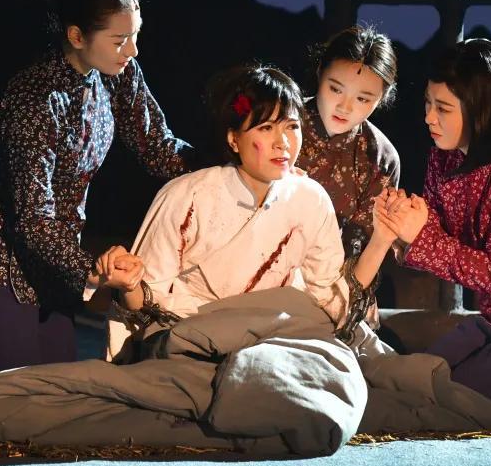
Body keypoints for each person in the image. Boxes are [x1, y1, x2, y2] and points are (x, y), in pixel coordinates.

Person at [0, 0, 193, 379]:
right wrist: (94, 269)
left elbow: (158, 146)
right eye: (120, 39)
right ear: (76, 35)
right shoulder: (33, 100)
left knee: (58, 390)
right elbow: (33, 218)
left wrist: (232, 164)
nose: (133, 50)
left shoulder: (116, 71)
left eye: (136, 35)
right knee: (6, 394)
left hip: (52, 264)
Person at [101, 64, 396, 358]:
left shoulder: (311, 199)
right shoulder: (188, 195)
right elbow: (146, 301)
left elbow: (330, 300)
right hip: (192, 337)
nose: (283, 143)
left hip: (275, 338)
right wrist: (128, 284)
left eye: (292, 127)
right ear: (233, 139)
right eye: (266, 128)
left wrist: (382, 238)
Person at [377, 38, 491, 417]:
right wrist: (402, 225)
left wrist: (421, 236)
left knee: (444, 397)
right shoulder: (444, 157)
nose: (429, 117)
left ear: (481, 109)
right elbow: (434, 239)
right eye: (428, 103)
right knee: (414, 377)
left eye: (443, 108)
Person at [296, 25, 400, 325]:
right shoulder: (281, 125)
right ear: (320, 73)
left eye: (363, 99)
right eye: (335, 89)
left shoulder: (380, 158)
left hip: (339, 289)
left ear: (382, 98)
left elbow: (362, 249)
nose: (345, 107)